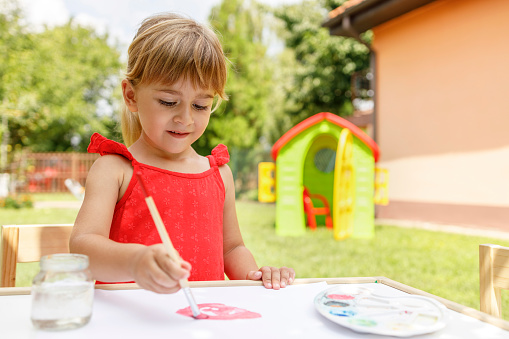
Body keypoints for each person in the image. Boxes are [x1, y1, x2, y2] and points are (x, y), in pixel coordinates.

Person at [69, 13, 295, 294]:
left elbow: (232, 248)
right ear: (131, 96)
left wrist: (256, 277)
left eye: (200, 105)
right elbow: (82, 246)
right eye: (168, 101)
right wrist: (134, 262)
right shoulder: (115, 169)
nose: (185, 119)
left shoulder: (219, 174)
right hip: (130, 322)